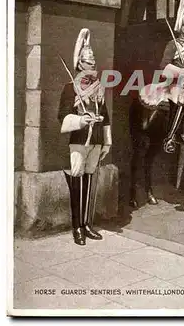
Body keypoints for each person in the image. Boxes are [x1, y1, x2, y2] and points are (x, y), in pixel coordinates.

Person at [58, 28, 112, 246]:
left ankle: (88, 224)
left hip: (97, 139)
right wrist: (81, 120)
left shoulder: (98, 87)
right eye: (88, 62)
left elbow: (105, 114)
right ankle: (76, 227)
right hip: (80, 140)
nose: (92, 65)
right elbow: (61, 116)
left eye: (93, 61)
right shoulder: (70, 88)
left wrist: (107, 140)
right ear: (80, 64)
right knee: (78, 181)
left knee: (91, 182)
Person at [140, 0, 184, 154]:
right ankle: (170, 137)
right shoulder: (172, 45)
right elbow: (164, 67)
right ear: (180, 27)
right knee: (180, 101)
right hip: (174, 84)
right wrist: (180, 71)